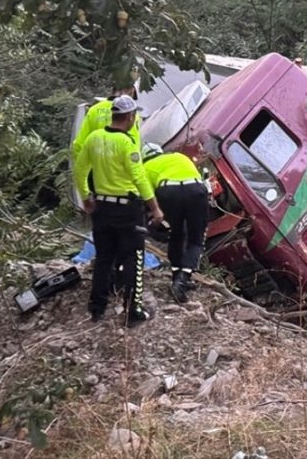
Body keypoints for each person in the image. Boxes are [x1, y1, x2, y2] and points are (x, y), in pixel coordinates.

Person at [73, 95, 164, 326]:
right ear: (131, 117)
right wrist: (154, 208)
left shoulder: (93, 139)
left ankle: (97, 308)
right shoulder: (127, 144)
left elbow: (80, 169)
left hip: (102, 208)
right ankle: (133, 311)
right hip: (127, 209)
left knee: (104, 258)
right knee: (134, 256)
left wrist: (86, 197)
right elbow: (139, 177)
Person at [141, 142, 209, 303]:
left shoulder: (144, 168)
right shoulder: (179, 156)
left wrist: (152, 226)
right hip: (195, 189)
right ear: (161, 152)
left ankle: (177, 277)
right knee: (196, 239)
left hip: (168, 191)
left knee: (176, 235)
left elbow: (147, 199)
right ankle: (183, 278)